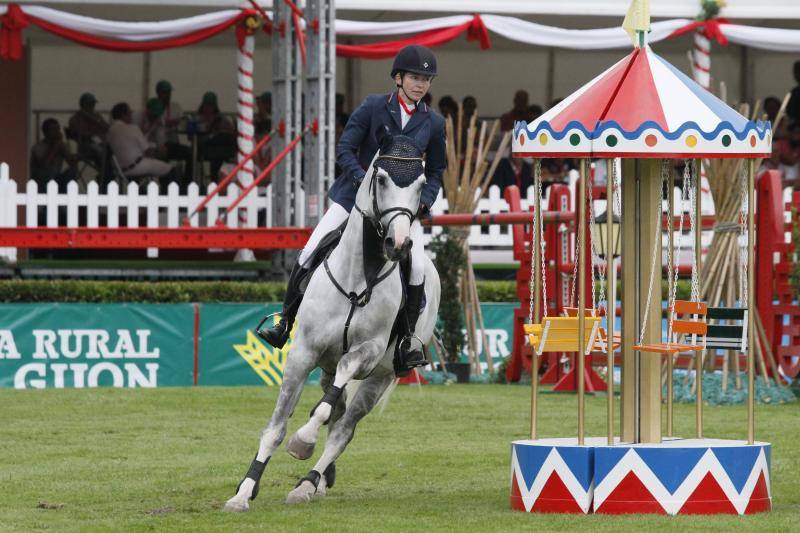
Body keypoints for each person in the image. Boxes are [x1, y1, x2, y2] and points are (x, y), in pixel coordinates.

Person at [258, 44, 446, 374]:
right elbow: (345, 149)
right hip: (354, 202)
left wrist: (424, 201)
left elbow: (435, 172)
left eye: (426, 79)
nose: (421, 84)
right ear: (399, 78)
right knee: (310, 249)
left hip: (399, 211)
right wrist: (362, 182)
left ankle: (407, 344)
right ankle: (284, 321)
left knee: (417, 268)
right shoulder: (374, 107)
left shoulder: (433, 122)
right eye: (416, 77)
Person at [106, 102, 175, 184]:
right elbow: (148, 152)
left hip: (122, 169)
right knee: (171, 170)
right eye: (129, 113)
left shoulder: (110, 131)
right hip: (138, 166)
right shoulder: (133, 128)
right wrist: (159, 152)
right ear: (123, 115)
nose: (131, 115)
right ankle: (168, 194)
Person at [194, 91, 236, 177]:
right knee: (217, 156)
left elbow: (231, 131)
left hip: (221, 149)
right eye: (207, 105)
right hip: (205, 147)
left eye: (211, 105)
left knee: (220, 153)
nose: (209, 108)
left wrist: (223, 129)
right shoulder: (197, 119)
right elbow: (192, 137)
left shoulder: (221, 118)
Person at [155, 80, 192, 176]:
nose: (167, 95)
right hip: (157, 144)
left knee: (190, 153)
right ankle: (164, 185)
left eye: (169, 93)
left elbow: (184, 121)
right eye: (165, 93)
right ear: (158, 93)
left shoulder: (176, 107)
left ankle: (186, 184)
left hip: (173, 143)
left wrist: (179, 122)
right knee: (163, 155)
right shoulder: (153, 106)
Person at [30, 118, 77, 190]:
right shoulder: (38, 147)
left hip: (56, 178)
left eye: (58, 129)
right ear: (45, 132)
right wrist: (55, 146)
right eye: (53, 129)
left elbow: (72, 163)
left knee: (72, 172)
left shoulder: (60, 145)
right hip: (42, 181)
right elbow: (44, 165)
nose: (57, 132)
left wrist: (68, 149)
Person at [67, 92, 109, 169]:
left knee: (113, 149)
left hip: (101, 143)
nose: (93, 106)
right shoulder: (75, 119)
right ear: (84, 105)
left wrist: (94, 120)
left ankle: (108, 173)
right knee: (103, 152)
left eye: (93, 104)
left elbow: (107, 128)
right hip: (86, 147)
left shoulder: (97, 116)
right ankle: (105, 174)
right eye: (91, 104)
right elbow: (79, 135)